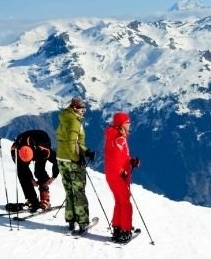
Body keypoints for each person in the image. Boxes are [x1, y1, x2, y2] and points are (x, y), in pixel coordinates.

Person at [56, 96, 95, 234]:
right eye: (81, 109)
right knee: (79, 191)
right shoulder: (74, 122)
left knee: (69, 191)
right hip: (72, 161)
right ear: (74, 108)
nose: (83, 112)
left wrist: (86, 152)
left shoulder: (64, 118)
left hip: (61, 159)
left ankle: (71, 220)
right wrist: (77, 159)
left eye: (84, 110)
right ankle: (83, 222)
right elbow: (71, 143)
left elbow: (73, 142)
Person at [103, 110, 140, 243]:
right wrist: (121, 172)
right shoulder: (119, 139)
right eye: (127, 122)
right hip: (119, 176)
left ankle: (118, 228)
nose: (129, 124)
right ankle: (125, 231)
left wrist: (131, 161)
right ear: (121, 124)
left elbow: (121, 157)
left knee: (120, 202)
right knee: (125, 204)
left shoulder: (114, 136)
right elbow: (114, 159)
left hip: (112, 175)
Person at [9, 128, 59, 211]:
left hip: (42, 139)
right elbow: (23, 168)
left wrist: (54, 176)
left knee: (39, 170)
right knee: (21, 173)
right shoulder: (15, 151)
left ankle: (45, 198)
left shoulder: (42, 149)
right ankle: (32, 200)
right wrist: (31, 179)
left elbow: (56, 160)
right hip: (25, 145)